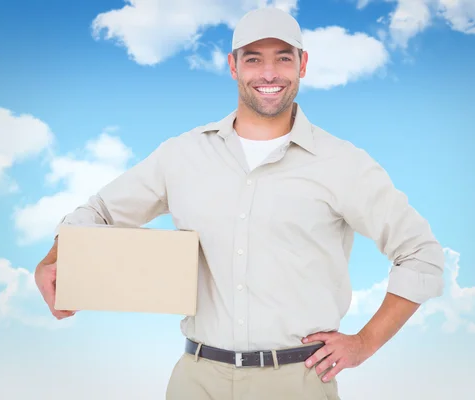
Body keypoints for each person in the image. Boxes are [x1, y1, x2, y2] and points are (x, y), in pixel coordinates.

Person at [34, 6, 445, 400]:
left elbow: (420, 254)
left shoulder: (342, 164)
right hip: (196, 379)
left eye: (283, 59)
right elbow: (99, 213)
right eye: (253, 59)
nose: (268, 73)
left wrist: (364, 343)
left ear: (302, 65)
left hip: (298, 382)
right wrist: (51, 261)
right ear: (233, 67)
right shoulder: (182, 154)